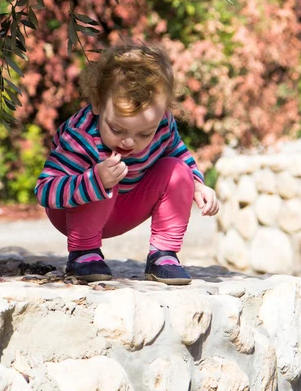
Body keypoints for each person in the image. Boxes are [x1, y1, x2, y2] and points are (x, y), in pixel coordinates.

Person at [35, 41, 219, 285]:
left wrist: (197, 185)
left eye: (144, 134)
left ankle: (163, 255)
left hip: (124, 208)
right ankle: (83, 253)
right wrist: (94, 180)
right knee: (105, 171)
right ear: (99, 104)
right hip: (71, 213)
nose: (130, 141)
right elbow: (45, 191)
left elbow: (179, 152)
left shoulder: (162, 124)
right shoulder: (81, 135)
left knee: (178, 170)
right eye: (117, 128)